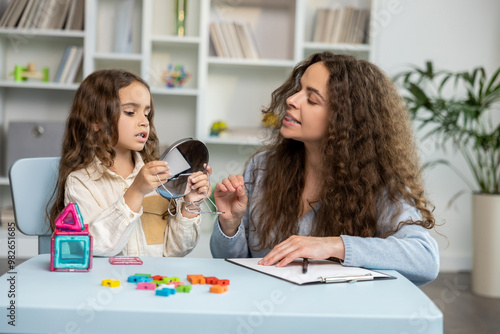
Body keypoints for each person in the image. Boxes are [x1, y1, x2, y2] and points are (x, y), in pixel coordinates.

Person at [210, 52, 440, 285]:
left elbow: (425, 260)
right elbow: (230, 264)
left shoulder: (380, 183)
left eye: (312, 99)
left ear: (345, 120)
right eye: (298, 89)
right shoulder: (262, 168)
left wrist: (333, 245)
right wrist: (230, 224)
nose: (291, 100)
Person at [48, 69, 211, 257]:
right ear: (96, 121)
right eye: (130, 112)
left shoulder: (160, 178)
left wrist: (190, 204)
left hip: (153, 283)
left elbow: (176, 250)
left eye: (147, 114)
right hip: (106, 284)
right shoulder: (81, 182)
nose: (144, 122)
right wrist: (136, 191)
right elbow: (94, 246)